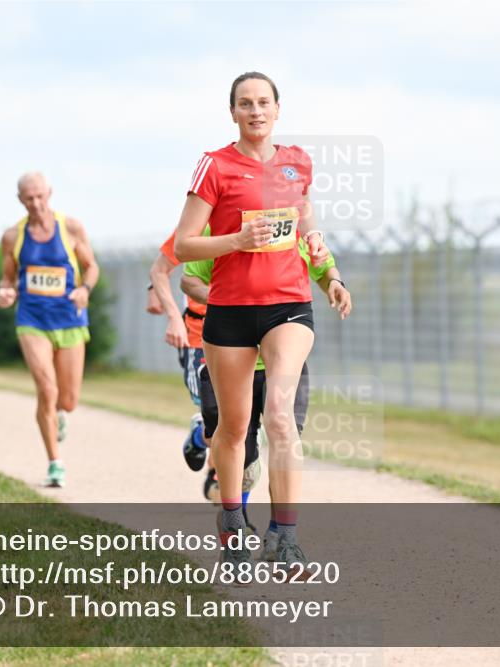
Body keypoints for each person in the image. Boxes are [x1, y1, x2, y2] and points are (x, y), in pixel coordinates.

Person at [173, 71, 331, 570]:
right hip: (230, 310)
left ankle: (285, 537)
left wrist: (323, 255)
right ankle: (233, 524)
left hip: (289, 304)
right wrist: (235, 243)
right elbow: (183, 245)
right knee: (234, 428)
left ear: (278, 109)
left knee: (281, 416)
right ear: (233, 112)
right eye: (246, 103)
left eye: (264, 102)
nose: (256, 110)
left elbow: (304, 218)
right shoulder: (215, 166)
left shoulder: (297, 163)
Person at [182, 232, 351, 558]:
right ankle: (236, 525)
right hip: (232, 354)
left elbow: (324, 267)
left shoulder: (294, 229)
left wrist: (335, 282)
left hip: (281, 360)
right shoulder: (223, 229)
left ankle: (279, 535)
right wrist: (224, 300)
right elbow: (190, 281)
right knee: (241, 453)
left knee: (285, 433)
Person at [0, 172, 99, 488]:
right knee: (47, 388)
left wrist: (85, 289)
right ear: (20, 200)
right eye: (29, 198)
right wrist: (5, 292)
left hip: (69, 318)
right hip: (32, 319)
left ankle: (60, 414)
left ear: (49, 193)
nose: (36, 203)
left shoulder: (71, 228)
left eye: (40, 196)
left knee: (67, 400)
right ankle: (55, 462)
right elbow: (8, 278)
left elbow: (91, 267)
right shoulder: (13, 236)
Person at [149, 230, 209, 473]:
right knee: (216, 416)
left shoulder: (257, 223)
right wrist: (174, 317)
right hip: (198, 335)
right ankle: (199, 438)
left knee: (238, 418)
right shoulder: (197, 224)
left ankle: (219, 476)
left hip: (245, 334)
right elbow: (160, 268)